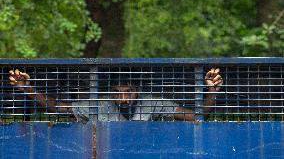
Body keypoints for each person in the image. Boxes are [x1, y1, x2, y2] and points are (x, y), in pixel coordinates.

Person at [8, 68, 223, 123]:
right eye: (118, 92)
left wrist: (211, 91)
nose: (123, 97)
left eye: (128, 92)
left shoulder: (151, 102)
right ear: (111, 93)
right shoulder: (100, 105)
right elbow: (56, 107)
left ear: (137, 91)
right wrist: (28, 88)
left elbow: (196, 116)